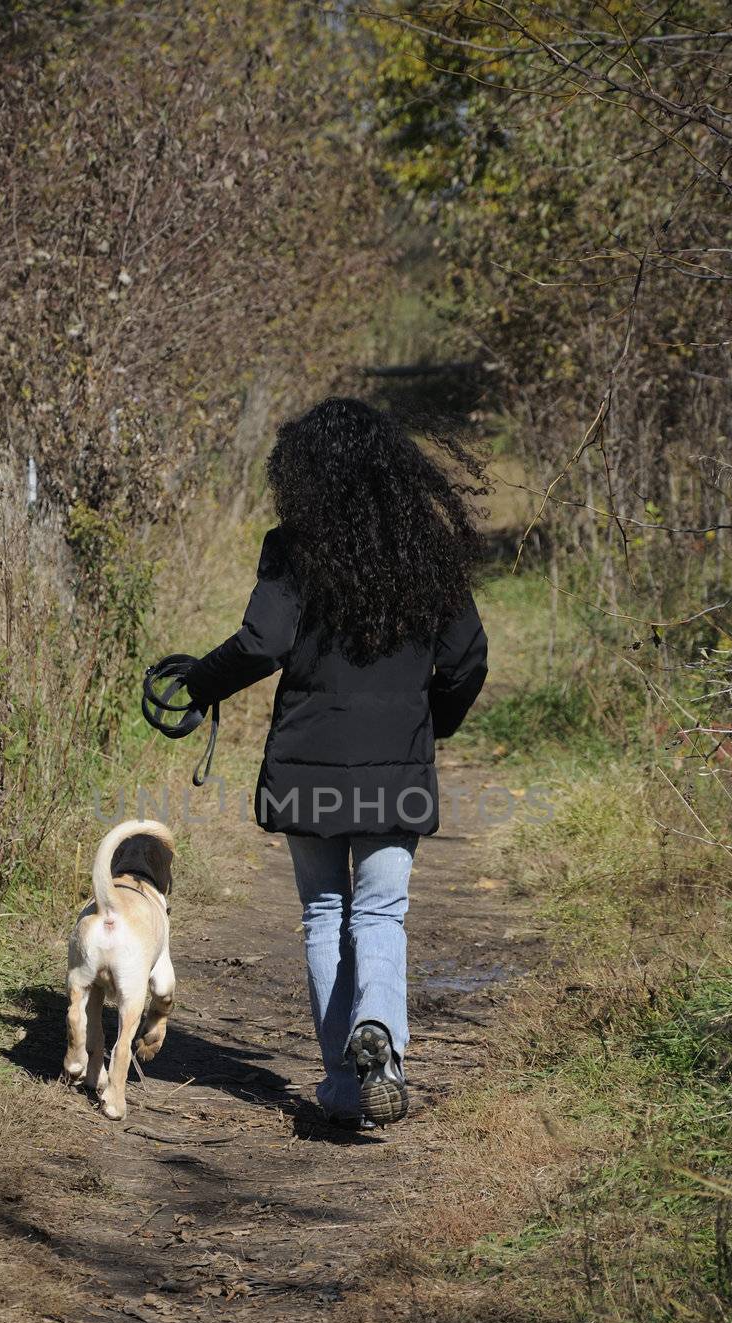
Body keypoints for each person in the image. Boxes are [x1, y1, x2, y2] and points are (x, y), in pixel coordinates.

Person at [179, 397, 487, 1130]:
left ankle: (345, 1089)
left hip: (307, 763)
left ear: (304, 473)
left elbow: (260, 643)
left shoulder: (294, 547)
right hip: (395, 772)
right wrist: (428, 727)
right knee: (381, 912)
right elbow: (465, 658)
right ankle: (377, 1032)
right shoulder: (430, 550)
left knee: (324, 913)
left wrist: (196, 684)